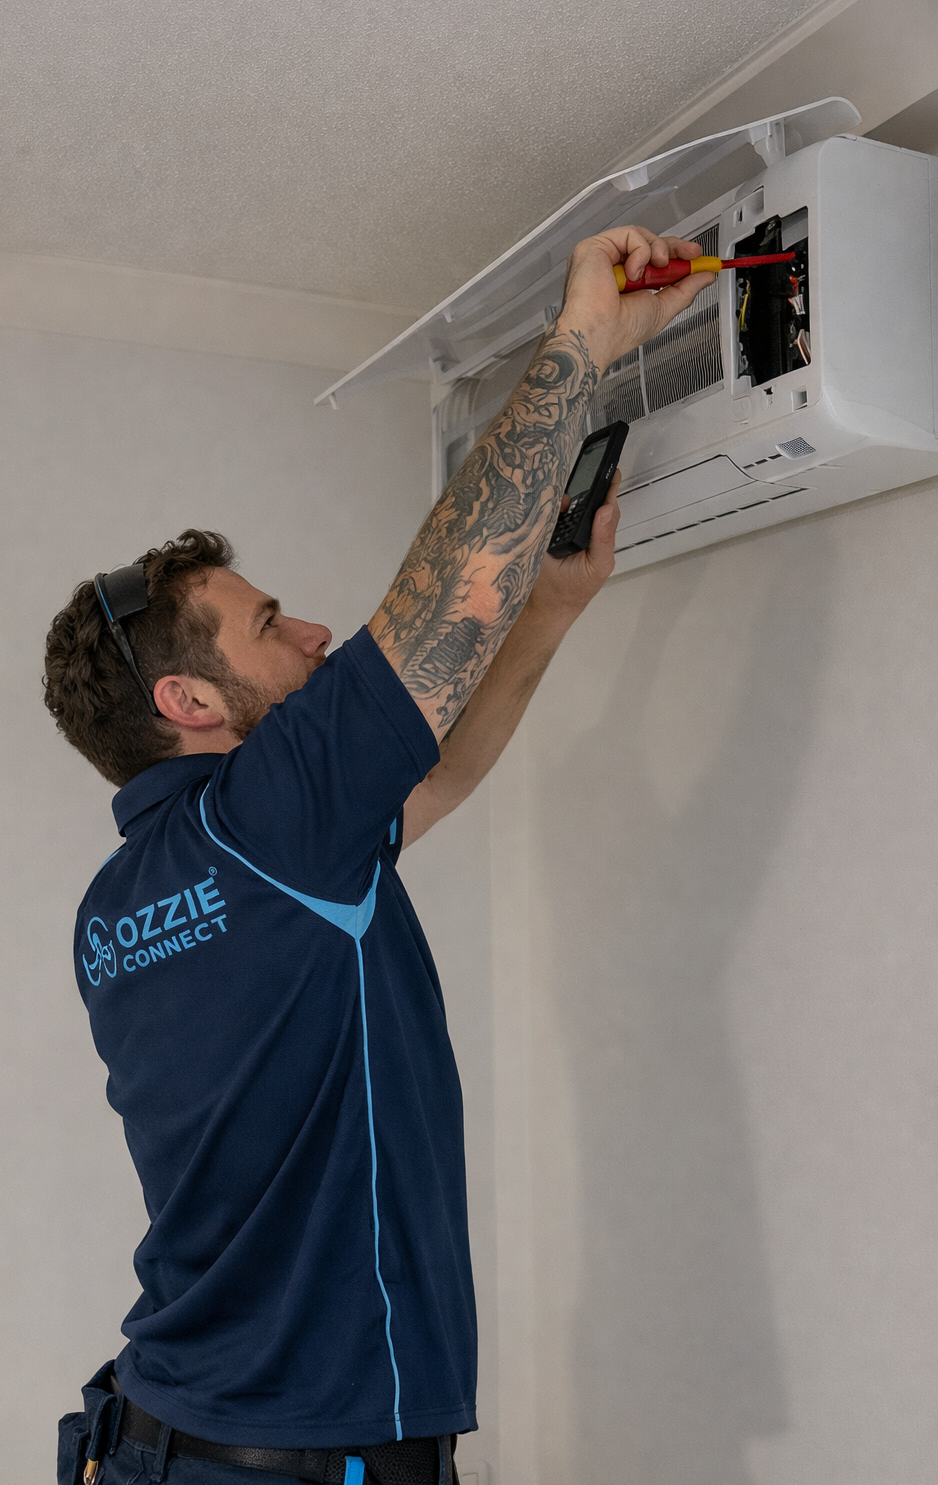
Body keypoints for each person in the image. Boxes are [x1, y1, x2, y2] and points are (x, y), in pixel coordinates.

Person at [45, 226, 712, 1485]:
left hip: (179, 1435)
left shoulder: (124, 898)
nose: (311, 631)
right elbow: (438, 594)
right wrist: (582, 338)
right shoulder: (268, 820)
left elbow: (434, 777)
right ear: (189, 702)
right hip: (287, 1457)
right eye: (265, 624)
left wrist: (554, 605)